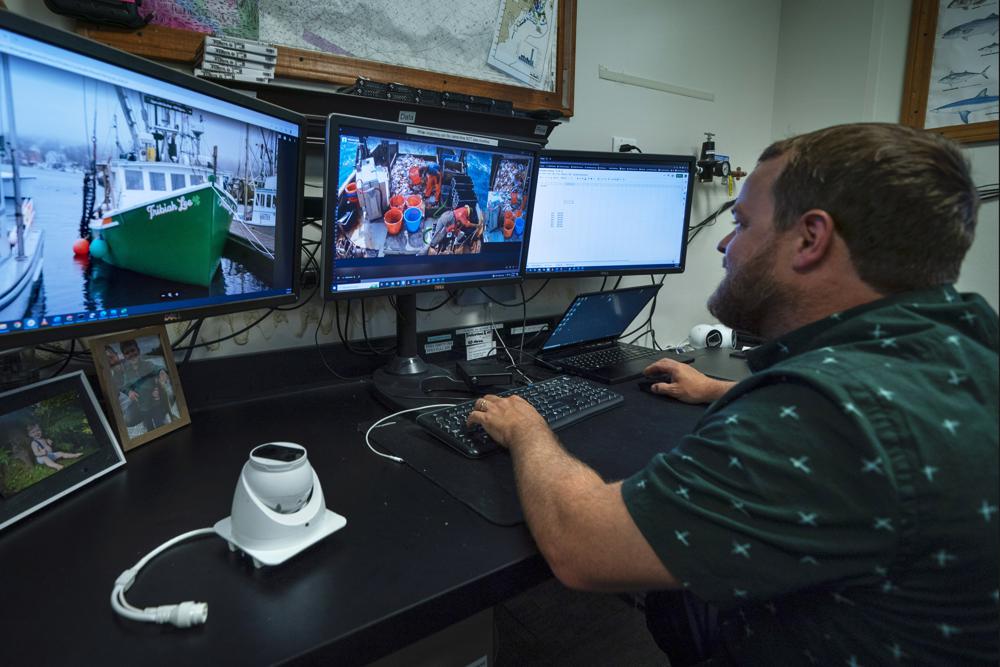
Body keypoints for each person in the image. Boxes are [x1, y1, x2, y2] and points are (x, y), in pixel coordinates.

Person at [467, 123, 998, 665]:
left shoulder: (823, 412)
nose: (723, 242)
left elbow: (582, 546)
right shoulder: (966, 346)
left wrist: (527, 428)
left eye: (741, 223)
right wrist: (723, 390)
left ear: (811, 239)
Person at [117, 339, 164, 432]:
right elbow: (124, 387)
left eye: (133, 350)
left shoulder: (147, 364)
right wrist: (129, 392)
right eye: (127, 353)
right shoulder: (127, 372)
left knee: (160, 425)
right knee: (149, 428)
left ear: (138, 351)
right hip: (142, 407)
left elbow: (158, 368)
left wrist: (162, 371)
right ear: (124, 356)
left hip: (155, 403)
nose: (131, 354)